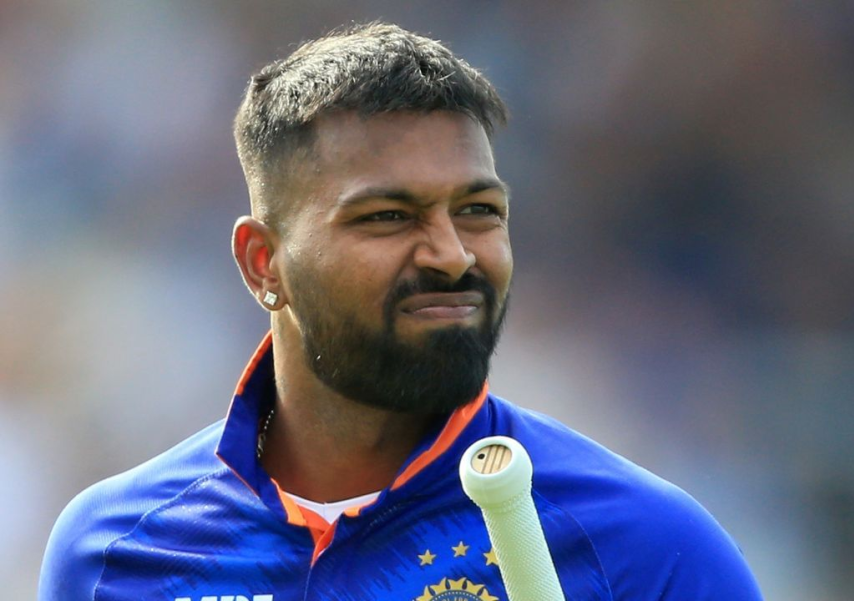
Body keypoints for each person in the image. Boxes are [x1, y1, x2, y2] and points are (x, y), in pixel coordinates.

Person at [39, 22, 762, 600]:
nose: (452, 254)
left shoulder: (644, 548)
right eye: (388, 216)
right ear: (263, 262)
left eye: (479, 210)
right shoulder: (117, 551)